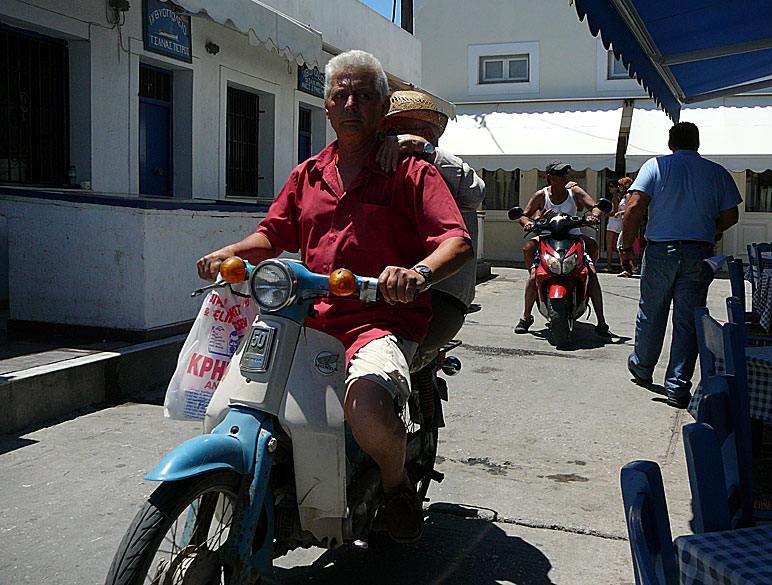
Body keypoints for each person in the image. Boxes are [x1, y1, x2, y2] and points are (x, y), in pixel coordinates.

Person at [196, 50, 473, 543]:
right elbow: (271, 234)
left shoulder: (411, 173)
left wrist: (417, 274)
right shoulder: (307, 174)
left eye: (364, 96)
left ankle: (394, 485)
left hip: (381, 321)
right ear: (325, 106)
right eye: (341, 95)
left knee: (365, 403)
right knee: (246, 393)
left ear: (382, 107)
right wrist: (231, 251)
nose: (351, 104)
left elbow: (455, 242)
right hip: (305, 317)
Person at [620, 122, 741, 409]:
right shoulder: (715, 172)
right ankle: (677, 385)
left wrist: (626, 247)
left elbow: (634, 207)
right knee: (687, 320)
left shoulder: (656, 166)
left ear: (671, 143)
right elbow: (731, 215)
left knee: (652, 311)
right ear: (697, 143)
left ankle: (643, 366)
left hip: (661, 250)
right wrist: (710, 230)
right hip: (698, 251)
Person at [375, 90, 485, 365]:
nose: (389, 141)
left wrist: (424, 149)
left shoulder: (442, 167)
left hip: (440, 296)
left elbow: (475, 192)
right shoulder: (387, 168)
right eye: (386, 133)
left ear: (423, 133)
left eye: (395, 131)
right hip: (387, 291)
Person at [514, 161, 611, 337]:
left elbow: (594, 206)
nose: (564, 177)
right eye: (560, 174)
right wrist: (528, 223)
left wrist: (593, 216)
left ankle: (601, 321)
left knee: (591, 271)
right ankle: (526, 316)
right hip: (547, 237)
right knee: (533, 271)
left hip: (572, 236)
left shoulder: (574, 191)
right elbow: (523, 215)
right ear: (549, 177)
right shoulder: (540, 195)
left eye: (566, 173)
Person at [614, 176, 639, 277]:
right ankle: (631, 267)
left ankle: (630, 267)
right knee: (623, 246)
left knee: (620, 246)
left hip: (627, 223)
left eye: (620, 185)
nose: (618, 187)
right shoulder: (624, 195)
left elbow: (631, 208)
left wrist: (620, 212)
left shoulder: (629, 195)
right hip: (624, 222)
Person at [602, 179, 622, 273]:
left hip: (614, 222)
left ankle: (609, 265)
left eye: (611, 186)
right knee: (615, 245)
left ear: (616, 188)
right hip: (617, 222)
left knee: (609, 245)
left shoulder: (615, 198)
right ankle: (627, 262)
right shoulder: (619, 197)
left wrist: (607, 214)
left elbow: (615, 212)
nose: (609, 188)